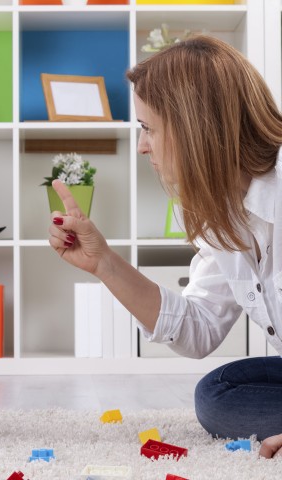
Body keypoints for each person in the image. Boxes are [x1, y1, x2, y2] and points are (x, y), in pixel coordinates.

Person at [48, 35, 282, 459]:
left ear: (197, 127)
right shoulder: (225, 214)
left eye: (148, 128)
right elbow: (200, 328)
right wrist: (104, 262)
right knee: (217, 394)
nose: (141, 146)